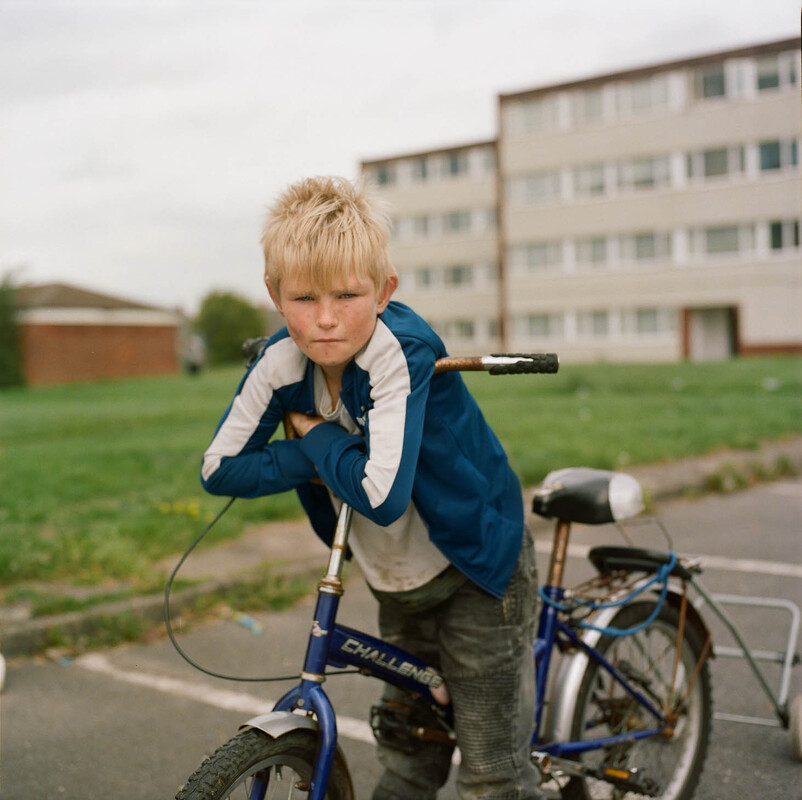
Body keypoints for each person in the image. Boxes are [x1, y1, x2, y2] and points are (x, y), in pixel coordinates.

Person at [201, 176, 540, 800]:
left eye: (348, 295)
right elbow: (220, 469)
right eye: (303, 297)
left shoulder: (398, 352)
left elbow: (380, 495)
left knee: (494, 775)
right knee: (409, 761)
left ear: (385, 291)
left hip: (476, 565)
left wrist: (316, 436)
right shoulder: (281, 363)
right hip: (399, 580)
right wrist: (315, 453)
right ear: (274, 294)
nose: (326, 319)